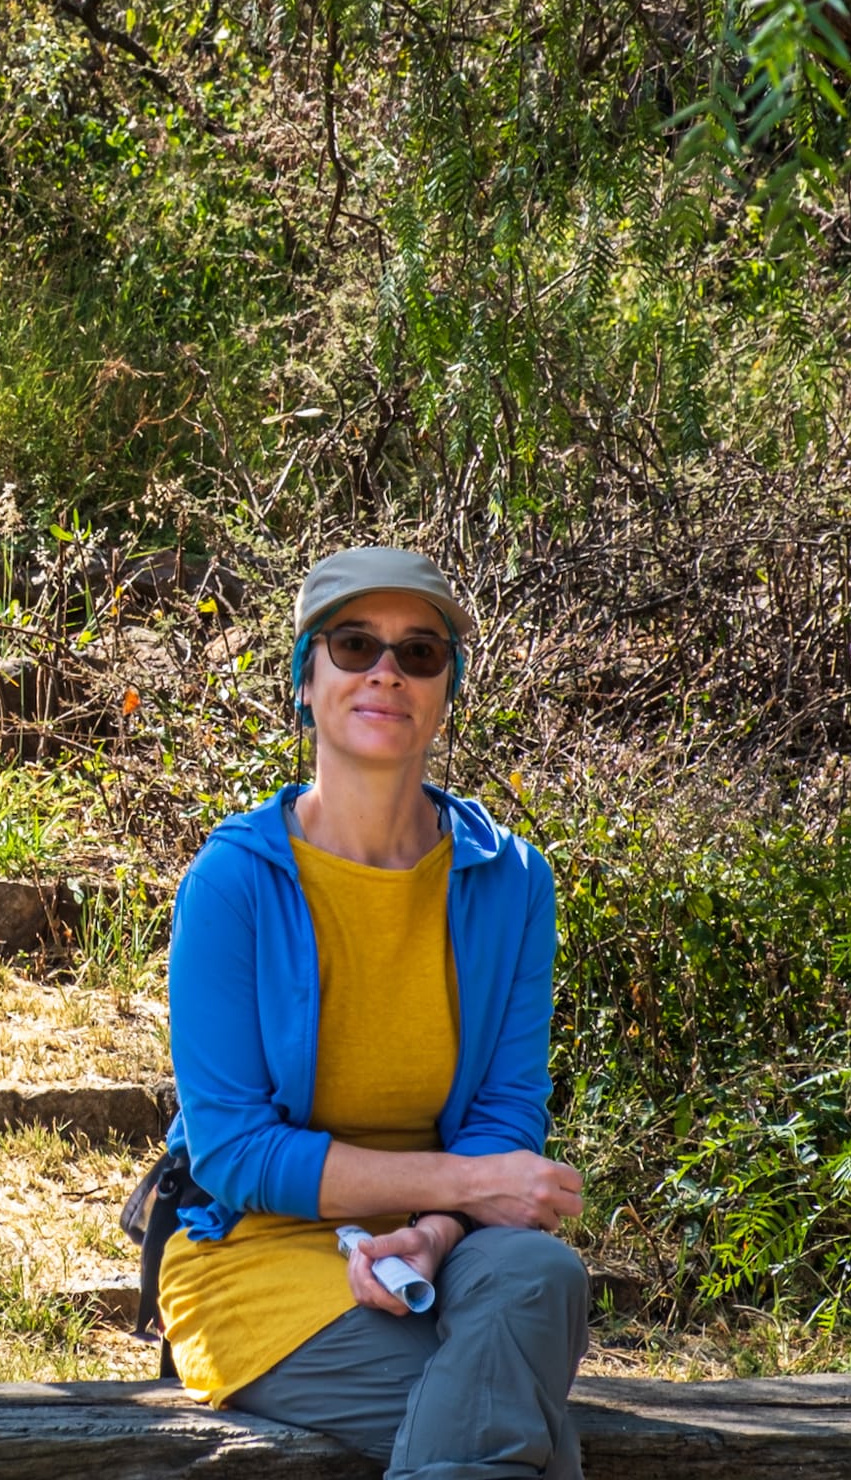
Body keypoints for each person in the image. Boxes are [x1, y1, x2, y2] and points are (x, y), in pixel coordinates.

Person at [155, 545, 590, 1479]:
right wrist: (472, 1190)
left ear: (446, 688)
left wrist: (433, 1233)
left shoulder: (509, 880)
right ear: (306, 680)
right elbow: (230, 1150)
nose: (386, 670)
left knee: (542, 1275)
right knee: (518, 1425)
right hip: (257, 1260)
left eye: (419, 652)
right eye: (355, 645)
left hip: (438, 1245)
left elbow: (505, 1110)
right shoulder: (233, 881)